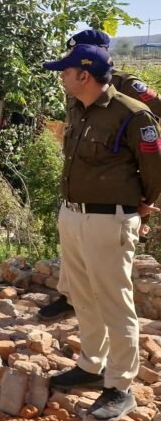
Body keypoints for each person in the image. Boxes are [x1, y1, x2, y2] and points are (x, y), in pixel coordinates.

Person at [42, 44, 161, 421]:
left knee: (114, 302)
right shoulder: (79, 108)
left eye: (66, 71)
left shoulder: (132, 114)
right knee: (82, 295)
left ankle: (120, 386)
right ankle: (91, 365)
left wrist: (141, 205)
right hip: (73, 215)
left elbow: (154, 169)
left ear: (85, 75)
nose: (62, 77)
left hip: (110, 220)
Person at [40, 29, 161, 321]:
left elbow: (151, 122)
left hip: (123, 184)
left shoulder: (124, 85)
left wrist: (143, 204)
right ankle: (71, 298)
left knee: (111, 284)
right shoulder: (76, 86)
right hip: (84, 179)